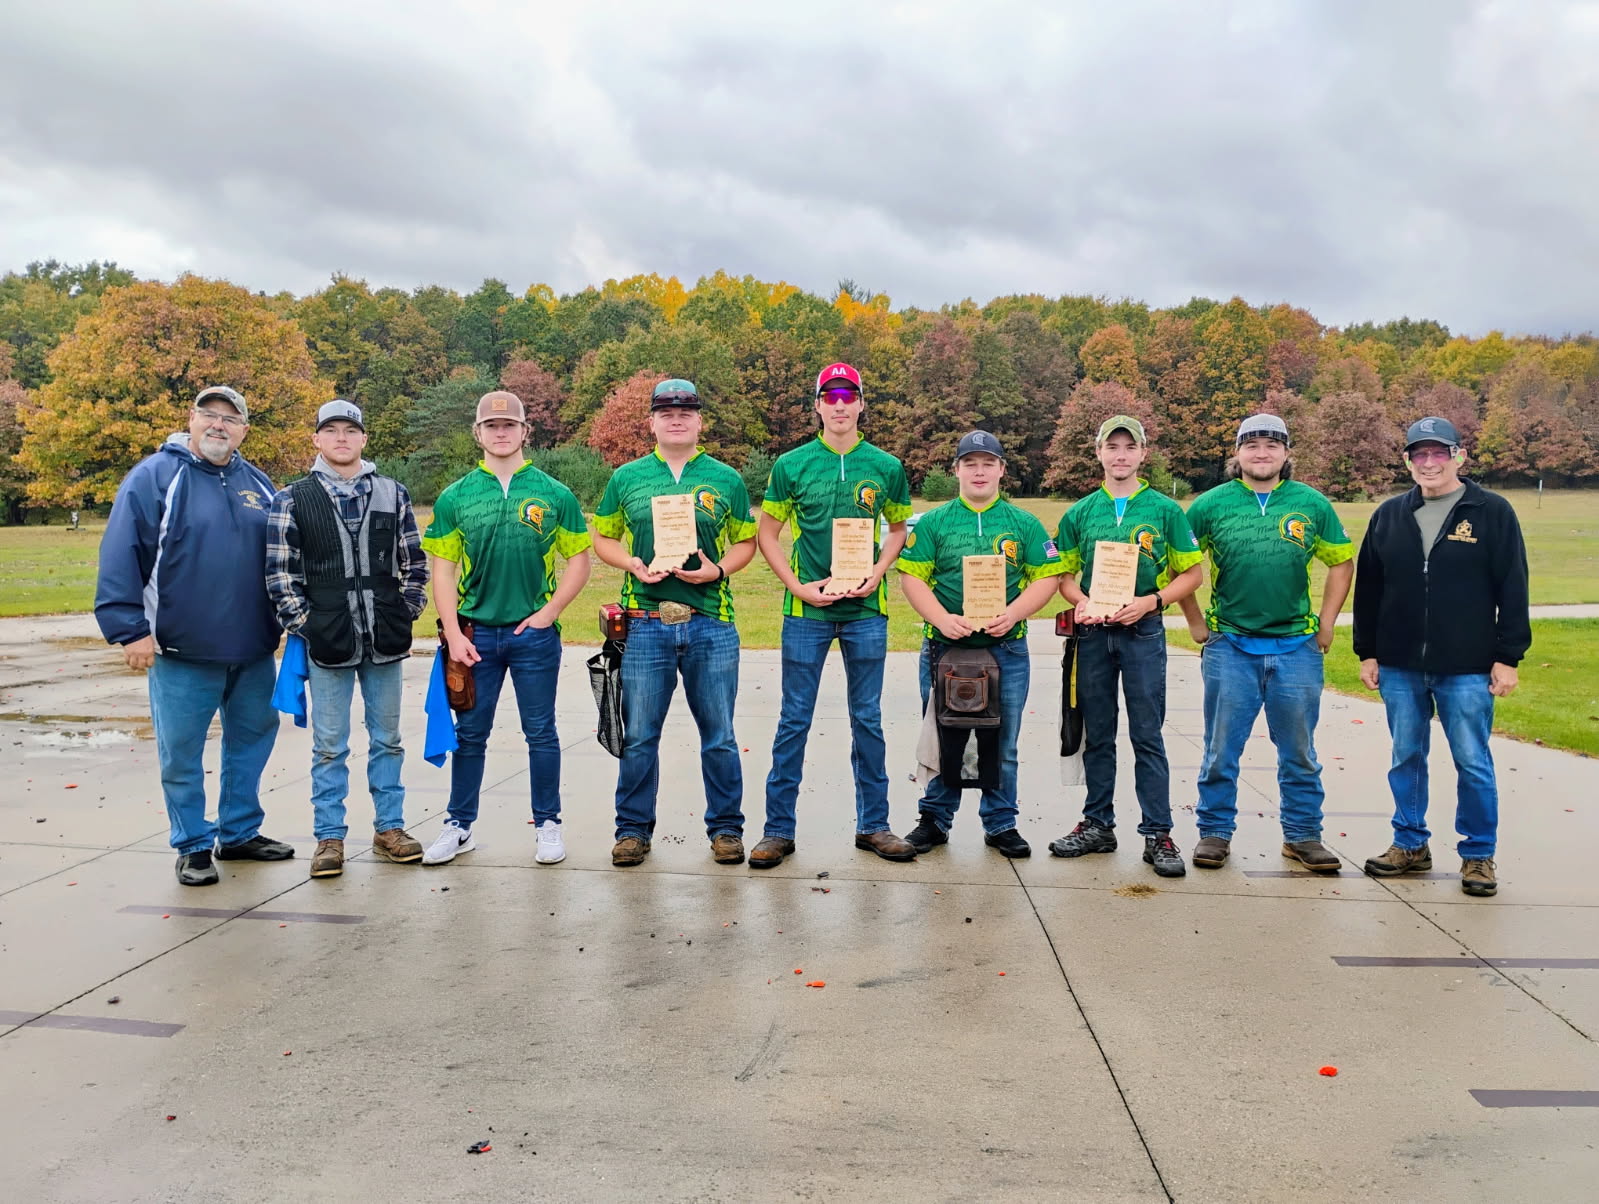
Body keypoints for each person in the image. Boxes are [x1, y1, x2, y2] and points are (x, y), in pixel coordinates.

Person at [95, 386, 292, 886]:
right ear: (191, 419)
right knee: (181, 752)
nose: (219, 424)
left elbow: (281, 560)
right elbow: (121, 554)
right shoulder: (155, 477)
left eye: (231, 418)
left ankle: (239, 832)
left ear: (245, 429)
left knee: (251, 741)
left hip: (252, 649)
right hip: (181, 649)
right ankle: (193, 844)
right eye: (209, 414)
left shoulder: (258, 484)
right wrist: (129, 629)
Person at [1352, 416, 1530, 898]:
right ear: (1407, 461)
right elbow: (1368, 588)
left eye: (1439, 453)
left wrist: (1508, 656)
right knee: (1406, 755)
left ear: (1459, 457)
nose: (1429, 463)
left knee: (1472, 760)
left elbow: (1512, 586)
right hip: (1400, 663)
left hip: (1468, 666)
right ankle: (1409, 843)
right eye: (1419, 454)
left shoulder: (1491, 511)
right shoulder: (1390, 514)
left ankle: (1478, 855)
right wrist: (1368, 652)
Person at [752, 362, 916, 867]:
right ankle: (778, 830)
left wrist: (878, 572)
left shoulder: (886, 465)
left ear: (861, 403)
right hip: (807, 611)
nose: (840, 404)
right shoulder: (791, 464)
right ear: (818, 405)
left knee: (867, 719)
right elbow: (767, 533)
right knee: (794, 719)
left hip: (866, 608)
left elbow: (897, 529)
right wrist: (796, 584)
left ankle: (875, 825)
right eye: (831, 396)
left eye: (849, 396)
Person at [420, 390, 592, 866]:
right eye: (491, 426)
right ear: (477, 433)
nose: (501, 432)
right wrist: (453, 634)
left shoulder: (553, 492)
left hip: (531, 635)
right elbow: (443, 571)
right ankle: (459, 825)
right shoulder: (456, 496)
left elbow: (579, 561)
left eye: (509, 425)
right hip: (475, 636)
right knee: (471, 733)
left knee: (541, 731)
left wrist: (550, 613)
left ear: (524, 432)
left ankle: (549, 823)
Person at [591, 379, 758, 867]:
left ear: (700, 420)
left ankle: (726, 828)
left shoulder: (726, 478)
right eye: (665, 411)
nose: (676, 418)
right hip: (644, 623)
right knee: (640, 733)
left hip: (710, 621)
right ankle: (632, 831)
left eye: (686, 410)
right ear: (652, 422)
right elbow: (604, 538)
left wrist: (719, 569)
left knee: (720, 734)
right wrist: (632, 565)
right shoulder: (627, 477)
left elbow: (745, 542)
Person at [1179, 413, 1354, 873]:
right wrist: (1196, 621)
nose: (1261, 453)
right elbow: (1180, 564)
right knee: (1221, 748)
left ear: (1287, 453)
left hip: (1295, 646)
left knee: (1298, 750)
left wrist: (1328, 622)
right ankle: (1214, 832)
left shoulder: (1311, 504)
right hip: (1230, 645)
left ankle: (1301, 835)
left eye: (1271, 445)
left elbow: (1340, 562)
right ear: (1236, 453)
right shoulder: (1210, 505)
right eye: (1251, 444)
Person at [265, 400, 431, 879]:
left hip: (384, 637)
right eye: (331, 430)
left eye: (350, 430)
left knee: (388, 740)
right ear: (317, 439)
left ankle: (390, 828)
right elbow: (280, 574)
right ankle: (330, 838)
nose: (341, 438)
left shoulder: (391, 493)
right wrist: (306, 625)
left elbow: (414, 563)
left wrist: (407, 611)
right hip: (328, 639)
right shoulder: (292, 498)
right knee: (329, 745)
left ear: (363, 439)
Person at [895, 431, 1067, 857]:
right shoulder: (934, 522)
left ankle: (1001, 822)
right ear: (956, 469)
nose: (979, 470)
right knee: (942, 736)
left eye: (987, 463)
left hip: (1004, 649)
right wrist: (941, 618)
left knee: (1002, 739)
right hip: (944, 649)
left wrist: (1014, 613)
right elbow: (912, 577)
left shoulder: (1023, 523)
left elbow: (1046, 576)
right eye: (970, 463)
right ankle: (935, 819)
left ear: (1002, 470)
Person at [1049, 415, 1204, 877]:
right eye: (1111, 447)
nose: (1120, 455)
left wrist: (1151, 602)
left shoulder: (1164, 510)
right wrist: (1084, 602)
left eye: (1128, 447)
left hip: (1142, 632)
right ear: (1098, 453)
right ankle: (1098, 823)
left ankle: (1158, 831)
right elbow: (1063, 576)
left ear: (1142, 454)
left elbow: (1192, 573)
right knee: (1098, 732)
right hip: (1095, 634)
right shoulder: (1079, 512)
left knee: (1146, 734)